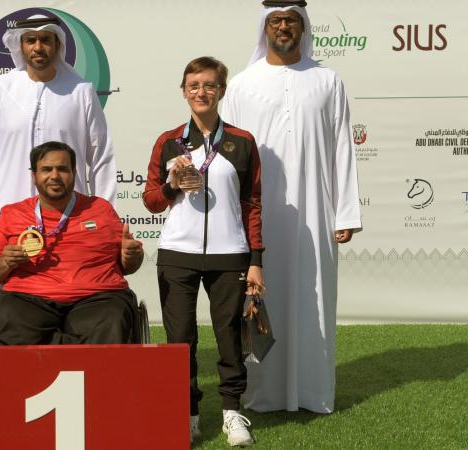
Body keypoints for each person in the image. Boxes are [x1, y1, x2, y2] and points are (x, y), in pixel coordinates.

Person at [220, 0, 362, 414]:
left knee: (315, 298)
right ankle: (261, 394)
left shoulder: (328, 81)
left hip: (317, 213)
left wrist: (346, 212)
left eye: (291, 20)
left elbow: (342, 148)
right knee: (261, 298)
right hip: (260, 215)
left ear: (303, 26)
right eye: (276, 20)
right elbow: (230, 157)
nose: (283, 27)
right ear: (265, 26)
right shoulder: (244, 84)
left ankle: (313, 393)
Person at [143, 57, 265, 447]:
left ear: (222, 91)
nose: (201, 92)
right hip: (177, 254)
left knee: (229, 334)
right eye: (193, 85)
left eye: (209, 85)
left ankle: (232, 413)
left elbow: (253, 205)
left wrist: (256, 261)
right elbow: (151, 202)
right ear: (183, 91)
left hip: (230, 254)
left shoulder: (242, 142)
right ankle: (188, 414)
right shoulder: (168, 142)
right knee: (181, 339)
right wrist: (172, 185)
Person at [0, 141, 143, 345]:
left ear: (74, 173)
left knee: (112, 316)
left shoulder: (101, 209)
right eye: (46, 169)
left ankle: (102, 377)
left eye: (62, 169)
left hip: (98, 298)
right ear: (34, 176)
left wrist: (131, 256)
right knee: (13, 318)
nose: (54, 176)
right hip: (28, 299)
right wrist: (6, 261)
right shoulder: (12, 213)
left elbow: (128, 266)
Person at [0, 15, 117, 234]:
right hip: (10, 210)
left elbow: (101, 157)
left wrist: (104, 212)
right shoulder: (0, 88)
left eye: (45, 40)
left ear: (57, 44)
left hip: (70, 216)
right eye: (31, 40)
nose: (38, 47)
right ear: (20, 45)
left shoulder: (81, 91)